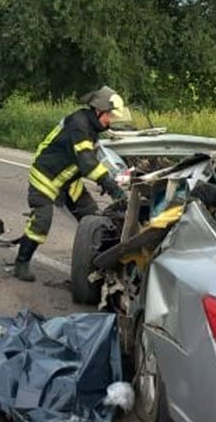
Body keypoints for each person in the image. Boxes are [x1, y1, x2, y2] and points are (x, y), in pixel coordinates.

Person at [12, 87, 129, 282]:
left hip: (68, 181)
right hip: (46, 177)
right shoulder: (79, 124)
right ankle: (21, 263)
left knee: (93, 219)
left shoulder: (91, 126)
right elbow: (87, 161)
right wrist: (110, 185)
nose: (111, 121)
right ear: (98, 111)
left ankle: (96, 268)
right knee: (41, 222)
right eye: (110, 116)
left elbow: (92, 157)